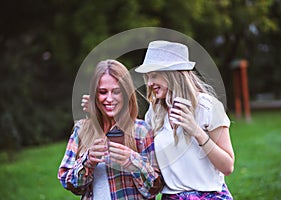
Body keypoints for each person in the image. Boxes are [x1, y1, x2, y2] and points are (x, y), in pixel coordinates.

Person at [134, 40, 235, 199]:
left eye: (154, 75)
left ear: (174, 75)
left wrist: (196, 130)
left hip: (210, 196)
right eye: (147, 77)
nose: (150, 83)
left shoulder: (208, 107)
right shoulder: (154, 112)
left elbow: (227, 166)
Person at [58, 59, 163, 200]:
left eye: (116, 92)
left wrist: (132, 162)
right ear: (95, 94)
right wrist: (88, 161)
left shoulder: (141, 130)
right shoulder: (82, 129)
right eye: (102, 92)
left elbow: (154, 188)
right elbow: (68, 183)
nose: (109, 99)